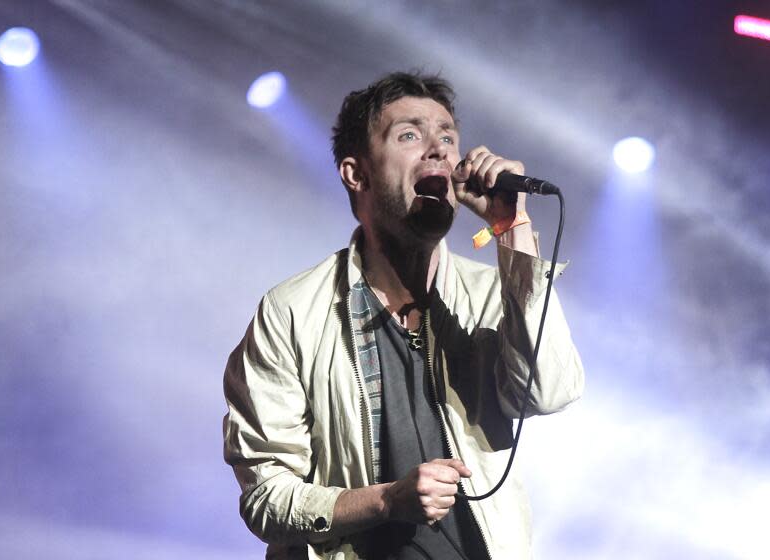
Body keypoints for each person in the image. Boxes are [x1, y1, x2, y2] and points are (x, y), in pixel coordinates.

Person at [223, 72, 584, 559]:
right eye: (409, 135)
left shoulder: (493, 291)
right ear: (357, 173)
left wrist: (512, 226)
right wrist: (386, 500)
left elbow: (547, 392)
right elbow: (267, 499)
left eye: (448, 137)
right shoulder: (291, 313)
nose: (438, 150)